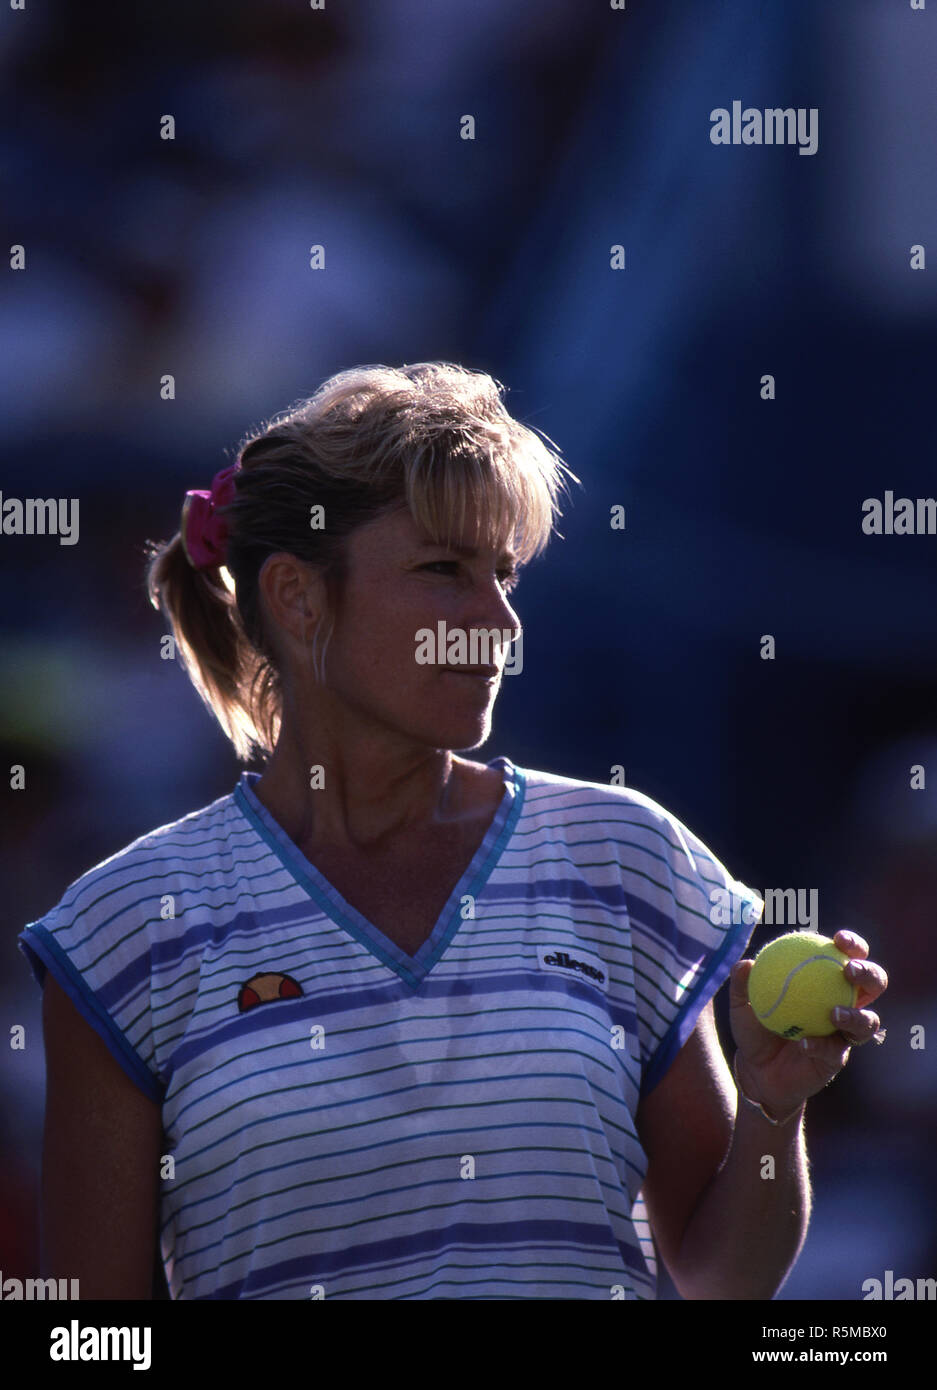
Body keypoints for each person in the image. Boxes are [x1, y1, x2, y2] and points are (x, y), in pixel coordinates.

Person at [19, 361, 887, 1300]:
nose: (498, 621)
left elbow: (724, 1280)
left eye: (503, 575)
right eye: (444, 570)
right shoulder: (121, 928)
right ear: (296, 595)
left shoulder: (628, 859)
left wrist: (770, 1110)